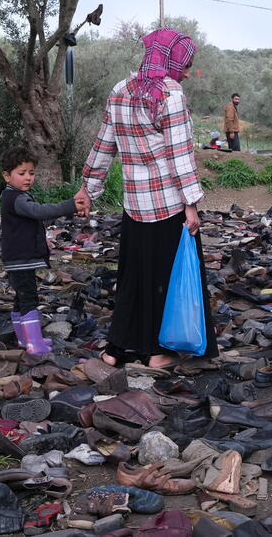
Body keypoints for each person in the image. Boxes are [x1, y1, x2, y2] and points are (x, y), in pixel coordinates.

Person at [75, 27, 218, 369]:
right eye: (184, 63)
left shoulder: (119, 91)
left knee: (133, 278)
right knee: (167, 279)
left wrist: (87, 188)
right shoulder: (170, 94)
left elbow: (103, 145)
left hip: (134, 206)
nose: (185, 71)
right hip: (168, 206)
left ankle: (116, 350)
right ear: (168, 59)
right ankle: (158, 351)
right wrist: (191, 204)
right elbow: (179, 154)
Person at [0, 146, 83, 317]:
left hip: (18, 258)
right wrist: (70, 205)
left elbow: (34, 220)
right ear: (7, 176)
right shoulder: (16, 198)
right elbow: (39, 212)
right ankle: (34, 342)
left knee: (21, 299)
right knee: (29, 300)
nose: (28, 178)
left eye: (31, 173)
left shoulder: (13, 195)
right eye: (22, 173)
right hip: (20, 259)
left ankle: (23, 337)